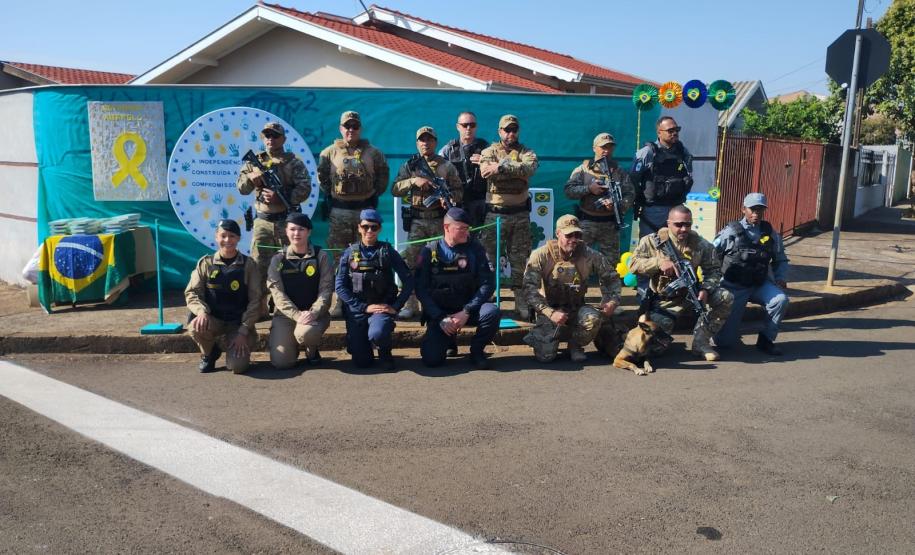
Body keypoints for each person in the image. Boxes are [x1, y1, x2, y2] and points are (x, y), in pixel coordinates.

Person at [628, 205, 733, 361]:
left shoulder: (701, 244)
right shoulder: (652, 241)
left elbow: (714, 270)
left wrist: (706, 289)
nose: (684, 229)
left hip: (692, 295)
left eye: (687, 224)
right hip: (664, 299)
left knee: (725, 297)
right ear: (668, 223)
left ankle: (701, 343)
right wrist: (658, 263)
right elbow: (633, 264)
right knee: (654, 350)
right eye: (678, 224)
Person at [317, 111, 389, 317]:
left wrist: (370, 195)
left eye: (355, 126)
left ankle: (365, 299)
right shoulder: (328, 153)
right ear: (340, 129)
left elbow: (382, 178)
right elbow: (323, 179)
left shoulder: (373, 153)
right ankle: (340, 301)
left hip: (364, 213)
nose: (351, 130)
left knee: (365, 259)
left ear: (360, 129)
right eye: (347, 126)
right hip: (339, 211)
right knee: (340, 259)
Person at [521, 214, 621, 363]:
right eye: (569, 235)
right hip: (549, 310)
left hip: (577, 308)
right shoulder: (540, 255)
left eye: (577, 235)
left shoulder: (590, 255)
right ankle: (541, 336)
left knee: (592, 318)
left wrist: (612, 300)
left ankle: (575, 345)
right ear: (558, 234)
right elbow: (529, 289)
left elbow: (611, 278)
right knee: (546, 357)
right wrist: (550, 312)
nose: (574, 239)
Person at [391, 126, 463, 319]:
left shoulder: (446, 166)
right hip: (417, 222)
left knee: (441, 264)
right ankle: (410, 304)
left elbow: (458, 191)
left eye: (429, 139)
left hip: (439, 222)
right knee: (410, 263)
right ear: (417, 143)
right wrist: (414, 181)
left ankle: (438, 303)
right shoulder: (411, 165)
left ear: (435, 142)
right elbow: (395, 188)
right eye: (422, 140)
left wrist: (448, 198)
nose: (425, 143)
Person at [415, 207, 500, 369]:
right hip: (440, 313)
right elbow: (421, 289)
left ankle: (476, 351)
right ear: (446, 227)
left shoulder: (475, 249)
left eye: (467, 229)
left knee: (492, 312)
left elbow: (488, 284)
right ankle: (448, 341)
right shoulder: (429, 251)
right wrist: (440, 317)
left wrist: (467, 310)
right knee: (432, 360)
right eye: (461, 228)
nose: (466, 233)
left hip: (468, 309)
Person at [236, 122, 312, 291]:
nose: (271, 139)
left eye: (275, 136)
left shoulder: (294, 162)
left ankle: (285, 305)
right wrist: (251, 178)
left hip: (286, 222)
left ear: (283, 139)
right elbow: (241, 188)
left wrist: (281, 197)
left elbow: (305, 189)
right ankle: (260, 305)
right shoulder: (254, 162)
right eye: (267, 135)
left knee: (290, 264)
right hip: (262, 223)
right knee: (258, 266)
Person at [335, 209, 414, 369]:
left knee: (377, 333)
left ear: (379, 229)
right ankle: (360, 344)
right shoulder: (349, 253)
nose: (369, 231)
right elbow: (340, 287)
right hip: (358, 310)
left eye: (374, 227)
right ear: (359, 228)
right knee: (362, 362)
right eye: (365, 227)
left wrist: (395, 306)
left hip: (381, 308)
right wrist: (362, 307)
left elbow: (409, 281)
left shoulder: (387, 252)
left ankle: (385, 352)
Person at [478, 114, 539, 320]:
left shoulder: (527, 151)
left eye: (514, 129)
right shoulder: (488, 151)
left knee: (520, 260)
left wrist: (502, 167)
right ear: (499, 131)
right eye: (506, 130)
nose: (510, 133)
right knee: (489, 260)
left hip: (520, 215)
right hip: (495, 216)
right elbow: (485, 171)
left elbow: (529, 168)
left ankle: (520, 302)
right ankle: (487, 300)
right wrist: (514, 169)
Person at [713, 193, 790, 355]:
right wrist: (712, 283)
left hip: (759, 284)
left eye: (760, 210)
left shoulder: (770, 233)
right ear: (743, 209)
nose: (756, 214)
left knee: (780, 299)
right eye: (752, 209)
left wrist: (780, 277)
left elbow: (780, 259)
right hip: (734, 287)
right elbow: (711, 257)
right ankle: (721, 333)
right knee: (724, 344)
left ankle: (766, 340)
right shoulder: (730, 233)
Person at [185, 219, 262, 374]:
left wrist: (243, 330)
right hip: (214, 319)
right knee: (195, 326)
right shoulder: (206, 263)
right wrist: (201, 312)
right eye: (223, 236)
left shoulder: (249, 265)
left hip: (238, 323)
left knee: (237, 367)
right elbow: (192, 292)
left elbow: (256, 300)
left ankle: (232, 345)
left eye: (232, 236)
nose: (227, 240)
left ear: (239, 238)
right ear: (216, 237)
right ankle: (209, 353)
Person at [630, 116, 694, 296]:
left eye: (677, 129)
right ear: (659, 132)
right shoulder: (647, 152)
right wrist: (637, 201)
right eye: (670, 130)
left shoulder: (683, 152)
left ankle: (672, 289)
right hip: (653, 209)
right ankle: (644, 291)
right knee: (649, 249)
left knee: (677, 249)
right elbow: (633, 179)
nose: (675, 133)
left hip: (676, 208)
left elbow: (688, 177)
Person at [266, 213, 333, 369]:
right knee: (282, 363)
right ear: (286, 231)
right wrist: (297, 315)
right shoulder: (278, 259)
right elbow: (277, 294)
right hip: (286, 316)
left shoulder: (320, 256)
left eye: (301, 229)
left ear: (309, 232)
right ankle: (291, 345)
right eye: (293, 229)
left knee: (305, 333)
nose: (296, 233)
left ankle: (312, 350)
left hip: (314, 314)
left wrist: (313, 312)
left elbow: (326, 290)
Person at [564, 132, 636, 263]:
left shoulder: (619, 172)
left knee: (610, 266)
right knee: (578, 261)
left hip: (609, 224)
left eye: (609, 147)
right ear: (594, 148)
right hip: (587, 223)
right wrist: (589, 189)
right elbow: (569, 191)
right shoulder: (583, 170)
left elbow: (630, 194)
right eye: (603, 147)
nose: (606, 151)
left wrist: (617, 204)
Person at [439, 111, 489, 228]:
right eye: (464, 125)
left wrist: (484, 160)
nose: (468, 128)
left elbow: (498, 168)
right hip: (457, 204)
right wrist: (443, 196)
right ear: (458, 127)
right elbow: (437, 176)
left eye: (472, 125)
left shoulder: (486, 149)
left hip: (481, 204)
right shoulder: (448, 150)